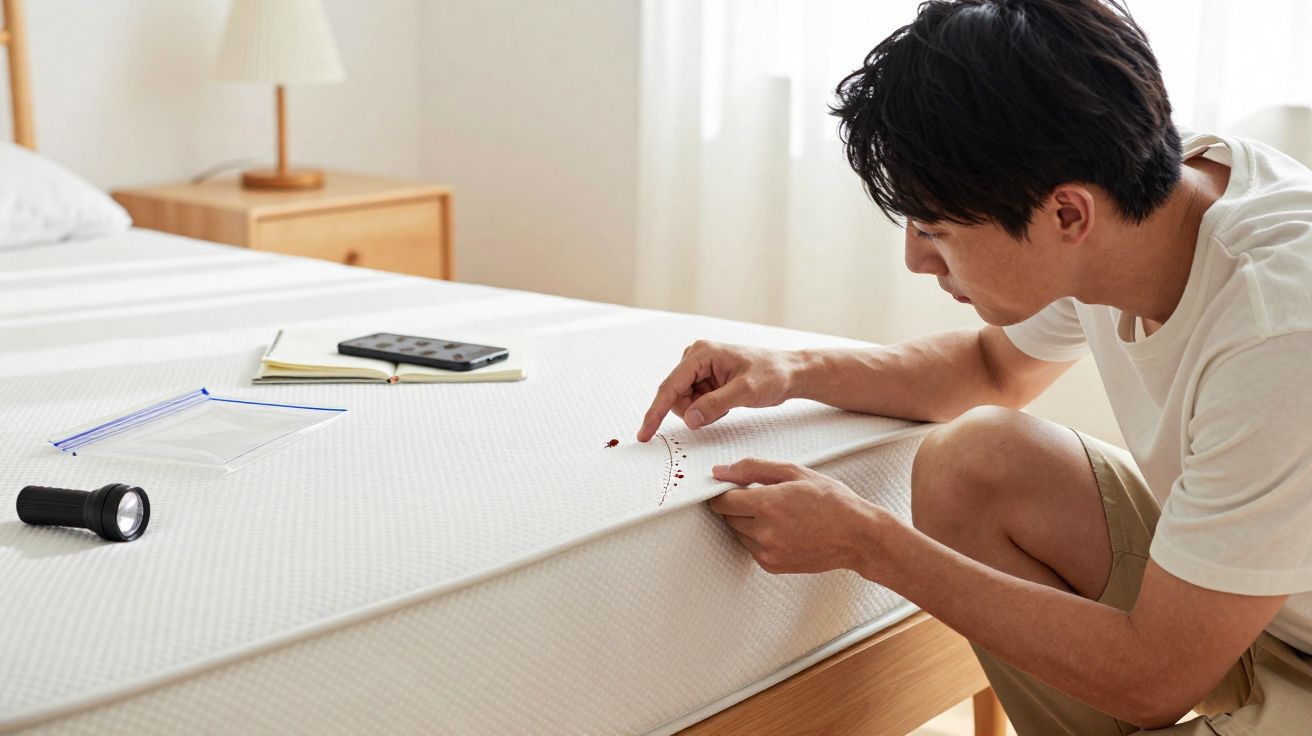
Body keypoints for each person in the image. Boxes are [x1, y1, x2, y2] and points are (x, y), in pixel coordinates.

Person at [635, 1, 1312, 733]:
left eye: (937, 231)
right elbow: (990, 370)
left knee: (1139, 673)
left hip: (1266, 654)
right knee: (976, 462)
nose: (916, 259)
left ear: (1066, 216)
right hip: (1251, 614)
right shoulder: (1130, 198)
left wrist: (868, 542)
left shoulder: (1279, 328)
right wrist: (788, 368)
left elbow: (1155, 679)